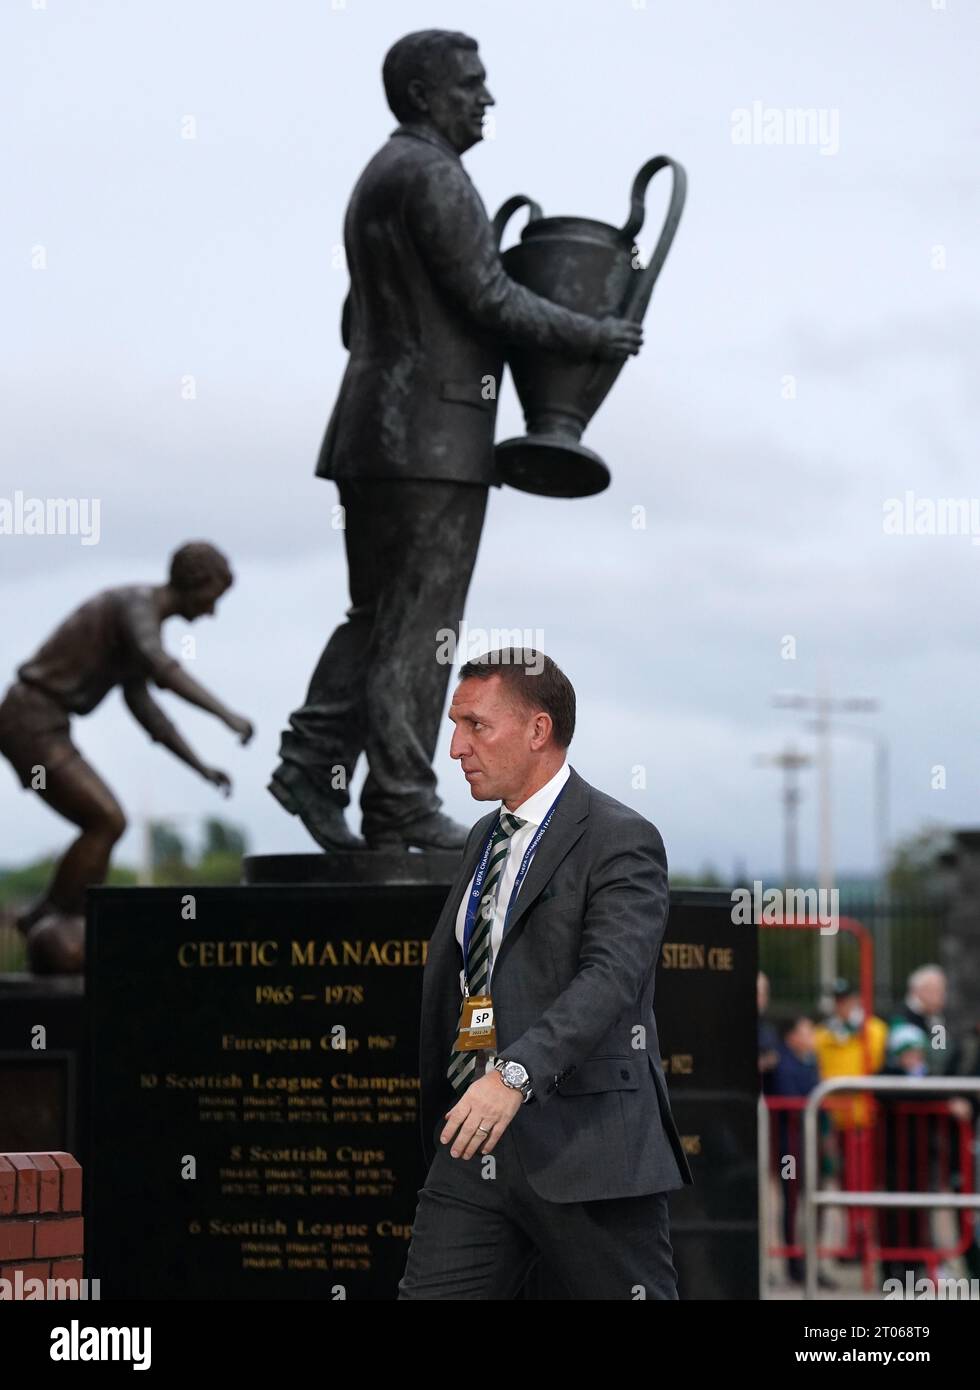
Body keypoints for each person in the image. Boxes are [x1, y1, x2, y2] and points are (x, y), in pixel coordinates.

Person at [269, 30, 642, 854]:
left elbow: (351, 320)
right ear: (425, 93)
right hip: (428, 441)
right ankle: (399, 804)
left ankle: (312, 760)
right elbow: (489, 298)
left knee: (377, 617)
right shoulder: (433, 175)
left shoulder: (382, 177)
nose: (487, 99)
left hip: (374, 433)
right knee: (418, 629)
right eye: (472, 84)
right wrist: (593, 332)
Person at [397, 648, 692, 1300]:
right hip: (473, 1144)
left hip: (587, 1148)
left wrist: (515, 1074)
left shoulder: (621, 837)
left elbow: (610, 977)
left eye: (476, 725)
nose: (455, 748)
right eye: (455, 725)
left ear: (538, 730)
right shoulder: (482, 838)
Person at [0, 542, 253, 970]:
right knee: (106, 820)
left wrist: (201, 768)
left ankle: (49, 915)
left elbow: (148, 712)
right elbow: (162, 668)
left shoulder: (138, 625)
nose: (211, 613)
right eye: (213, 599)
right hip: (30, 722)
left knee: (102, 822)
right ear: (199, 583)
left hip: (44, 723)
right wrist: (226, 715)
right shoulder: (134, 606)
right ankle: (56, 917)